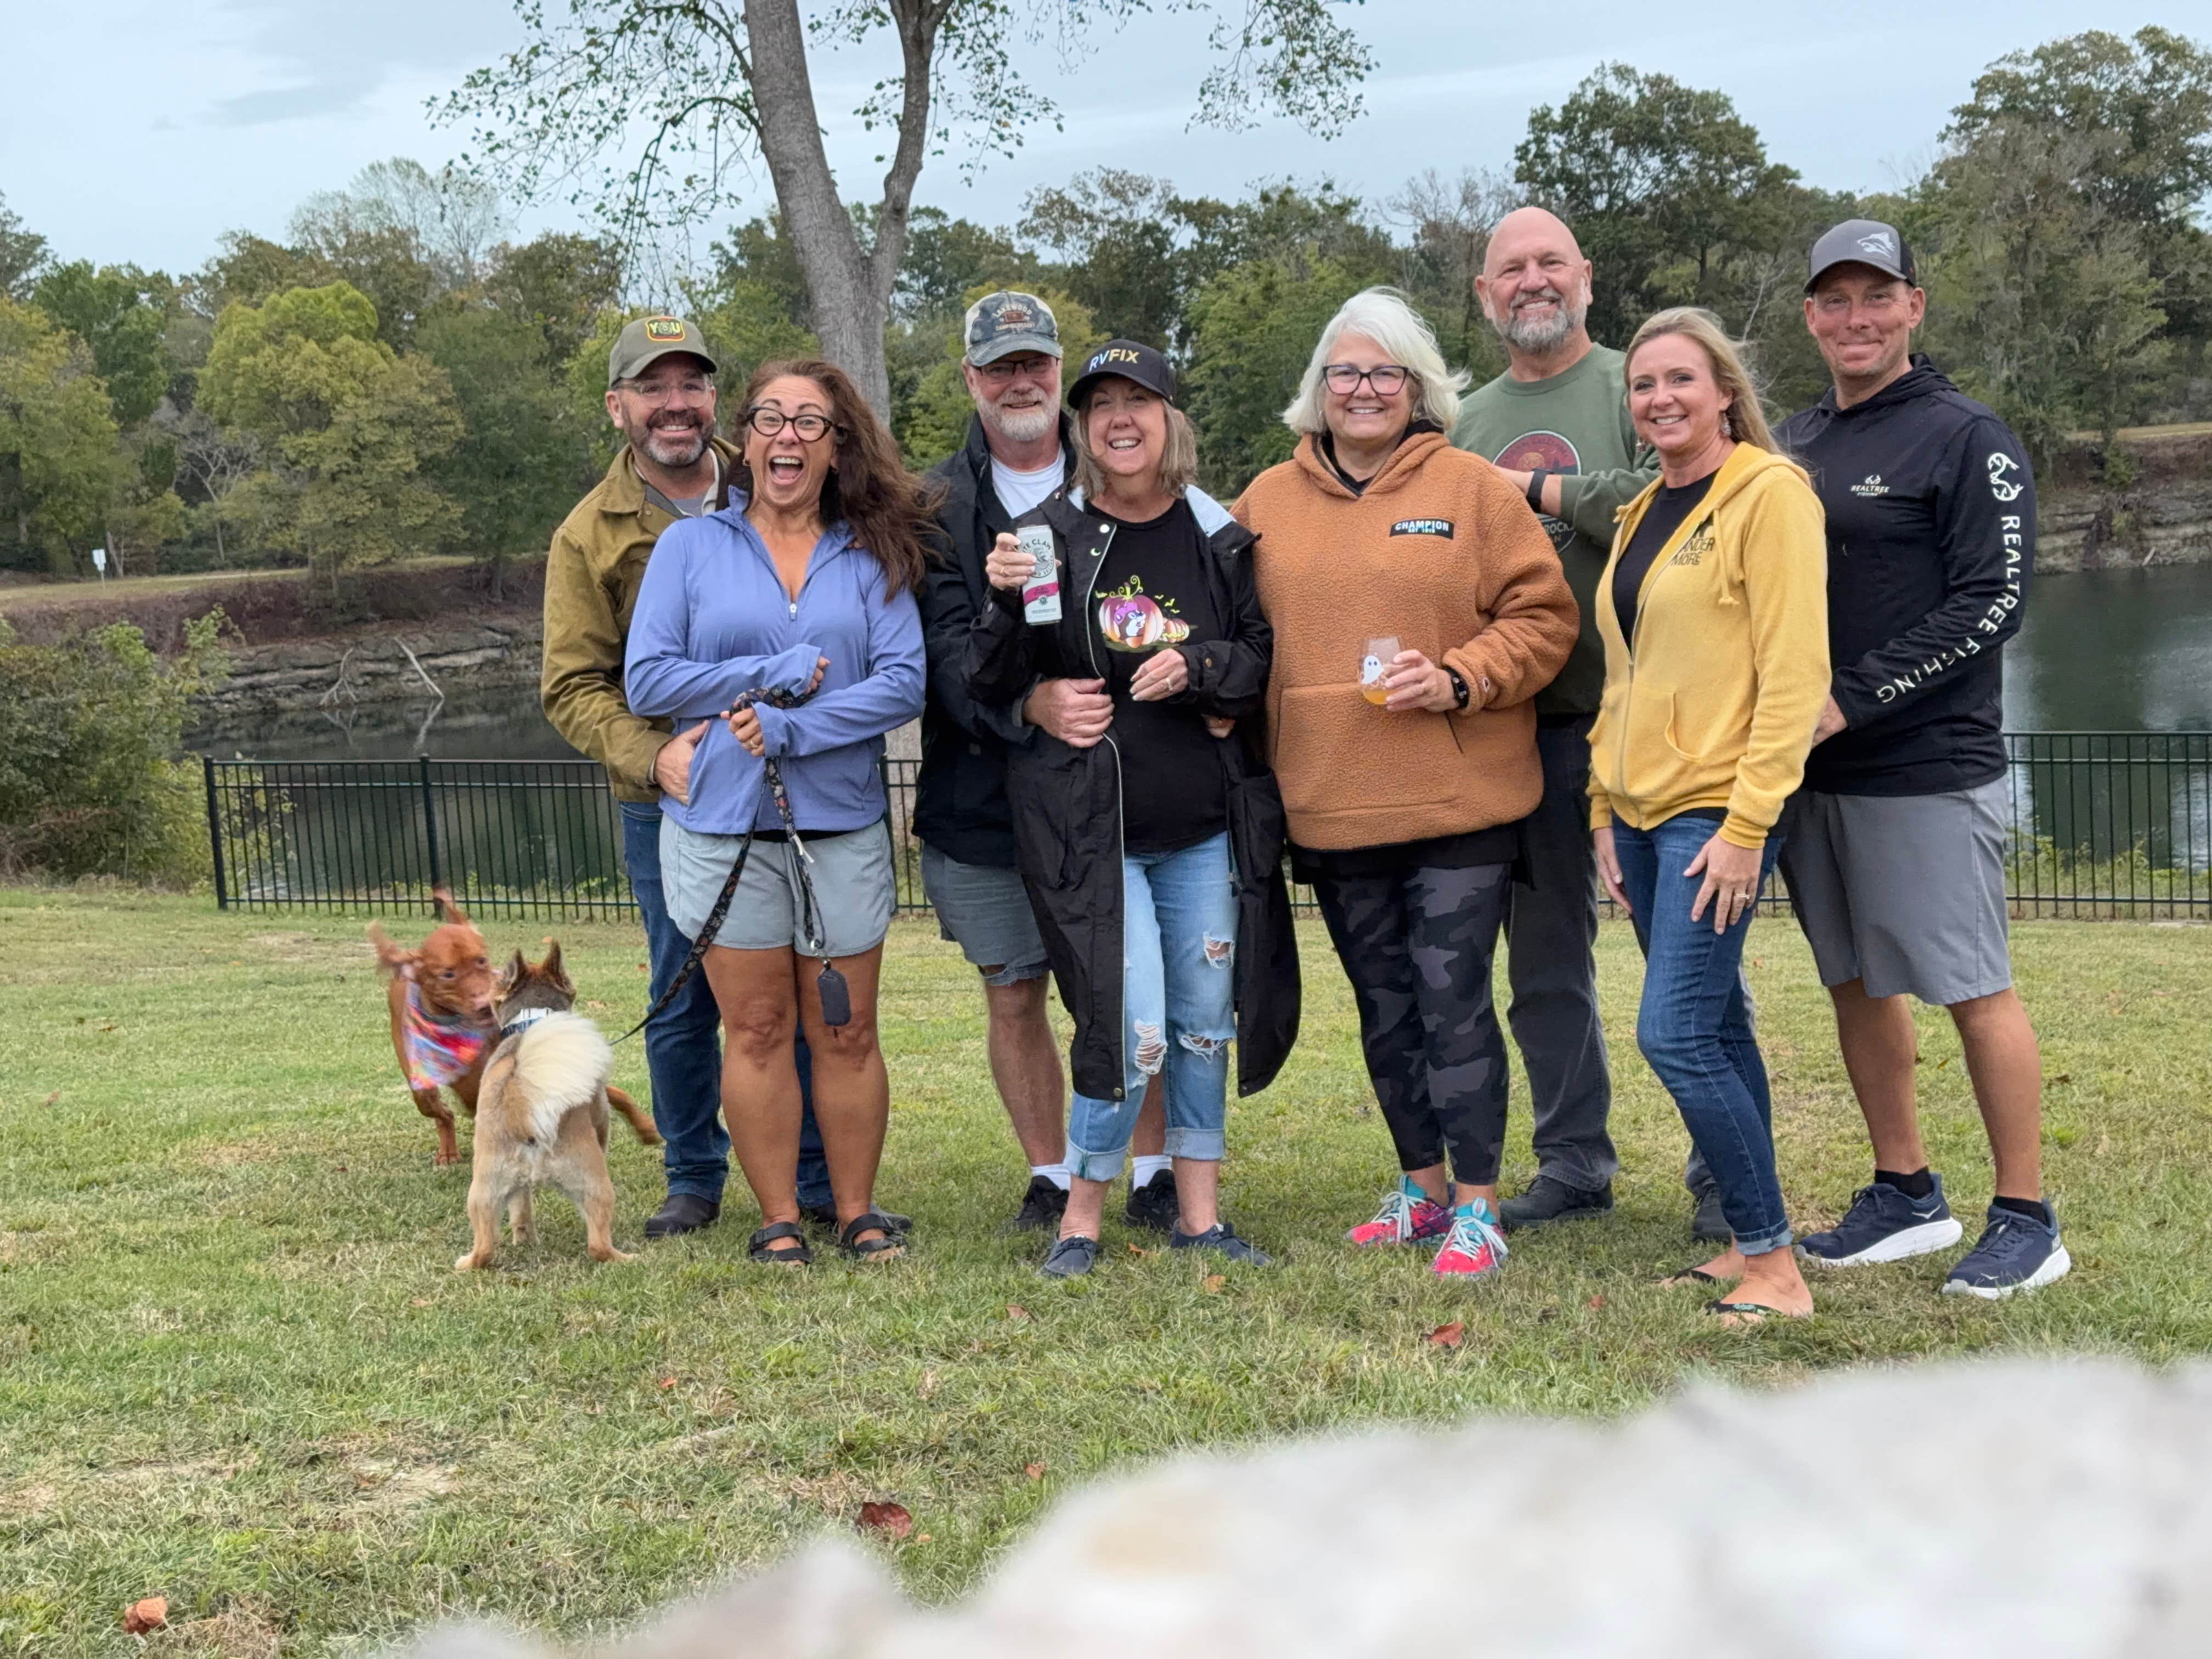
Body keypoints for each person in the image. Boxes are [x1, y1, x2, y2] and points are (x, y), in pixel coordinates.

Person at [1234, 288, 1577, 1282]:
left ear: (1419, 388)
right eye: (1346, 372)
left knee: (1450, 994)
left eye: (1386, 373)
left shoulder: (1473, 488)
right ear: (1319, 391)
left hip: (1458, 800)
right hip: (1331, 800)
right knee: (1383, 1003)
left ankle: (1480, 1204)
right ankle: (1420, 1188)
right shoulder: (1264, 503)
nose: (1365, 390)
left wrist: (1462, 676)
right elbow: (1231, 630)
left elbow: (1544, 618)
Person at [1778, 219, 2068, 1299]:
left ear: (1914, 306)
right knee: (1857, 986)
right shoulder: (1795, 439)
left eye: (1876, 296)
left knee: (1971, 988)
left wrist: (1847, 701)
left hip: (1929, 768)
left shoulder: (1965, 436)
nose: (1856, 317)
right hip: (1816, 775)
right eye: (1835, 300)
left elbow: (1992, 602)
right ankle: (1906, 1194)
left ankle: (2029, 1216)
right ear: (1811, 315)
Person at [966, 339, 1300, 1280]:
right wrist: (1001, 608)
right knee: (1132, 1023)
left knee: (1202, 1023)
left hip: (1201, 834)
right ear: (1082, 428)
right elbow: (991, 679)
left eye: (1139, 402)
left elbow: (1258, 656)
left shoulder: (1218, 535)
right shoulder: (1046, 538)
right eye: (1101, 404)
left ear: (1169, 421)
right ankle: (1081, 1220)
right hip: (1093, 835)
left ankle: (1200, 1217)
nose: (1121, 419)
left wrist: (1198, 667)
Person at [625, 358, 928, 1266]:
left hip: (839, 822)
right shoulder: (690, 547)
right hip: (722, 826)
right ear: (745, 437)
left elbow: (902, 682)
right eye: (769, 418)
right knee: (755, 1028)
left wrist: (799, 728)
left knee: (846, 1028)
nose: (787, 436)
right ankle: (777, 1221)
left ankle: (859, 1210)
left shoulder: (875, 553)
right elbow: (649, 675)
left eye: (810, 422)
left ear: (838, 447)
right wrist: (770, 678)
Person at [540, 315, 837, 1240]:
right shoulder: (589, 534)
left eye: (692, 385)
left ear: (717, 398)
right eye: (652, 387)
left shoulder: (776, 476)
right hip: (670, 803)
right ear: (618, 407)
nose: (676, 405)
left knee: (797, 992)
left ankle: (817, 1183)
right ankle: (694, 1177)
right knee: (683, 995)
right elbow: (570, 684)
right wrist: (650, 753)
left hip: (791, 786)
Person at [1587, 307, 1830, 1324]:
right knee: (1721, 1029)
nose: (1661, 400)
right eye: (1644, 386)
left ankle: (1777, 1265)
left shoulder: (1771, 497)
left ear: (1725, 390)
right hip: (1638, 819)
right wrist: (1601, 804)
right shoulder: (1645, 510)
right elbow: (1622, 675)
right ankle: (1742, 1239)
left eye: (1681, 380)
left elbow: (1795, 677)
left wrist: (1745, 826)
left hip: (1713, 814)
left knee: (1675, 1033)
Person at [918, 292, 1176, 1236]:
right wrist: (1026, 703)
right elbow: (940, 656)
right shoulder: (934, 507)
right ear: (972, 380)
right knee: (1015, 988)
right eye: (999, 367)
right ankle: (1052, 1170)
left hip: (1115, 789)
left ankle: (1149, 1171)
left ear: (1058, 372)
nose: (1019, 381)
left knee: (1120, 983)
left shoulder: (1124, 475)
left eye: (1034, 363)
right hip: (983, 794)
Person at [1451, 206, 1659, 1234]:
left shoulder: (1642, 382)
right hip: (1517, 729)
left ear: (1586, 275)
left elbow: (1676, 499)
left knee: (1681, 953)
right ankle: (1575, 1162)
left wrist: (1529, 486)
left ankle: (1723, 1172)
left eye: (1549, 263)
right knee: (1543, 964)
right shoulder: (1459, 419)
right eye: (1510, 270)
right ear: (1485, 296)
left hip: (1643, 719)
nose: (1532, 282)